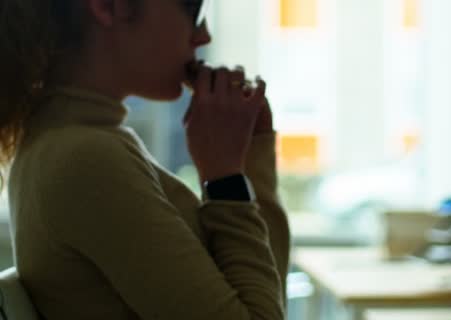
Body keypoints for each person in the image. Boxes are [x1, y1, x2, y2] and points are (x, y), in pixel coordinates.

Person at [0, 0, 290, 319]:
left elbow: (264, 294)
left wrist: (251, 154)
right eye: (192, 11)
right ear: (109, 6)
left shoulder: (73, 143)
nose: (203, 36)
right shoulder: (86, 161)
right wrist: (224, 178)